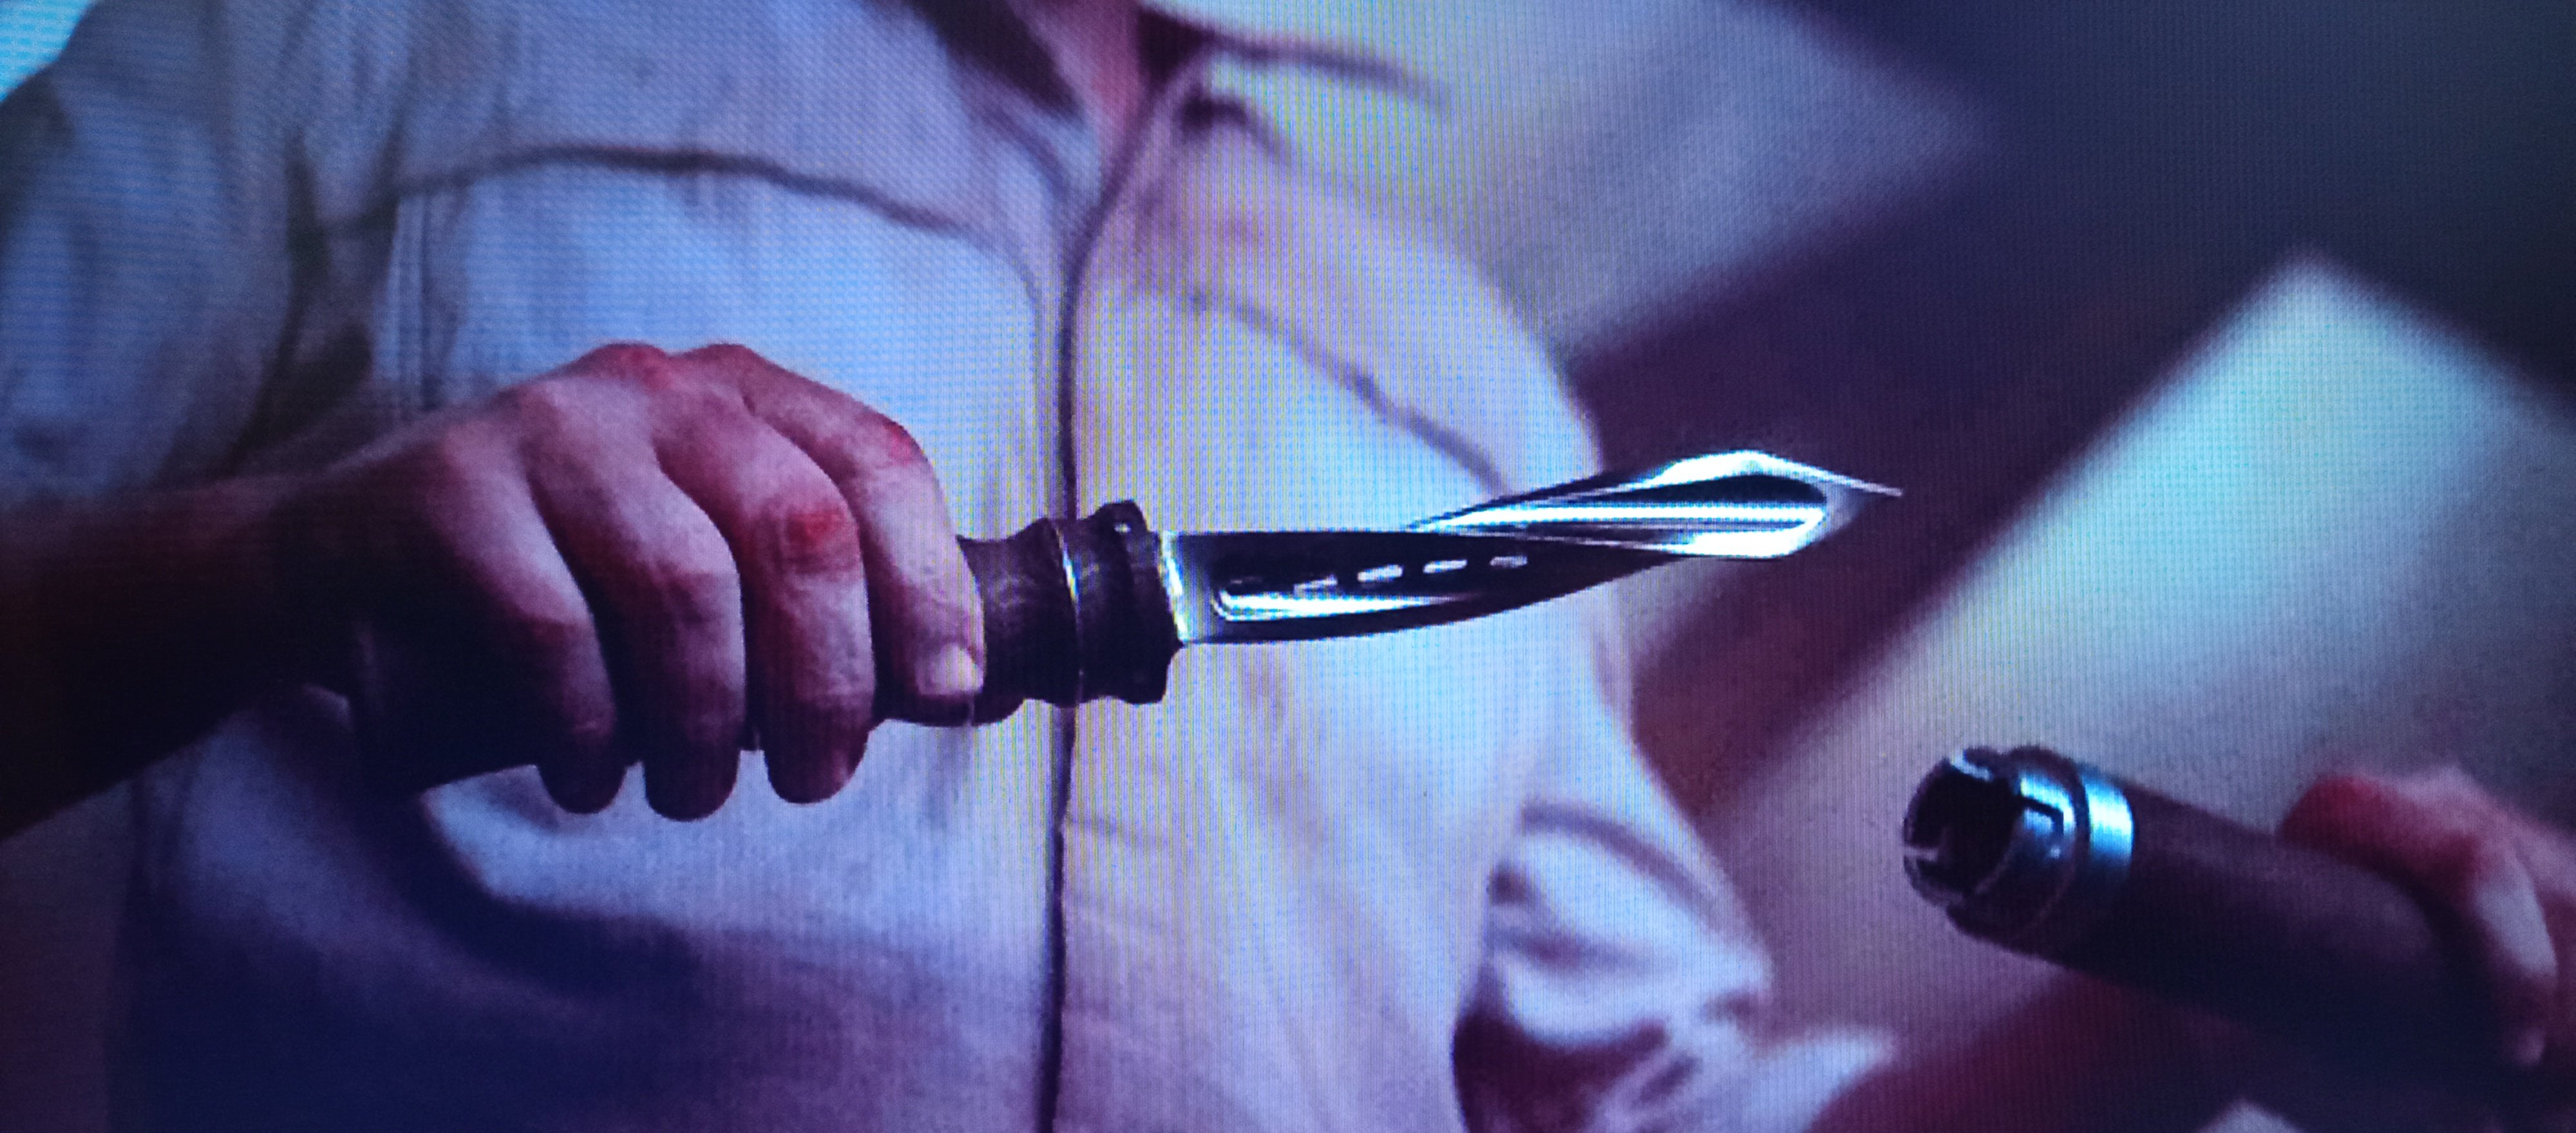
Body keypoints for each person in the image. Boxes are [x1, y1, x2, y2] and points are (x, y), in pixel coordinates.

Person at [0, 0, 2568, 1130]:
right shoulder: (344, 31)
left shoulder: (1456, 362)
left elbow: (1643, 1115)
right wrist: (268, 561)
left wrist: (2197, 1019)